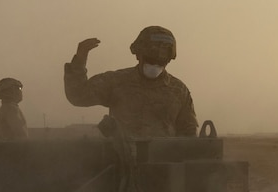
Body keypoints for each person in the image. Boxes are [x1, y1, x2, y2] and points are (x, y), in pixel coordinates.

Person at [64, 26, 198, 139]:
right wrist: (80, 59)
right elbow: (78, 95)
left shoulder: (179, 91)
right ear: (138, 55)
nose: (154, 65)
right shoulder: (116, 82)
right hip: (120, 160)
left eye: (160, 62)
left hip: (162, 160)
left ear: (168, 60)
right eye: (150, 60)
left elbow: (189, 134)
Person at [0, 77, 28, 142]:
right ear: (11, 90)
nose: (21, 91)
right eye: (19, 88)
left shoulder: (5, 108)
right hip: (15, 147)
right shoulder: (10, 109)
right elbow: (20, 133)